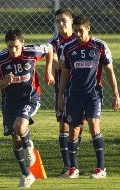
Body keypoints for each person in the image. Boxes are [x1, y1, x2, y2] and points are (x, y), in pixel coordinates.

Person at [58, 15, 120, 179]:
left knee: (93, 125)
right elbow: (64, 74)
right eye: (76, 31)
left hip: (93, 94)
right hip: (73, 96)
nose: (77, 34)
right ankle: (73, 168)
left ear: (88, 28)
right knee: (74, 131)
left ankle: (100, 168)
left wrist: (116, 94)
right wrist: (60, 96)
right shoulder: (69, 48)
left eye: (81, 31)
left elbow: (109, 71)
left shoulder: (100, 46)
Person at [0, 29, 54, 188]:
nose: (13, 50)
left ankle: (29, 146)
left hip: (30, 98)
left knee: (19, 127)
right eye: (10, 46)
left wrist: (48, 71)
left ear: (22, 43)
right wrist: (4, 81)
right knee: (15, 138)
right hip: (10, 103)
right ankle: (27, 174)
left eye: (16, 46)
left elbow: (50, 49)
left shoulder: (32, 51)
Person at [47, 9, 83, 177]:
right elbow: (54, 61)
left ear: (71, 20)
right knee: (63, 124)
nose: (61, 24)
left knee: (78, 126)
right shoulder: (54, 42)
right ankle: (67, 165)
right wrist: (54, 63)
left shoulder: (80, 38)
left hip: (81, 89)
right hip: (62, 88)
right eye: (58, 21)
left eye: (64, 20)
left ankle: (74, 164)